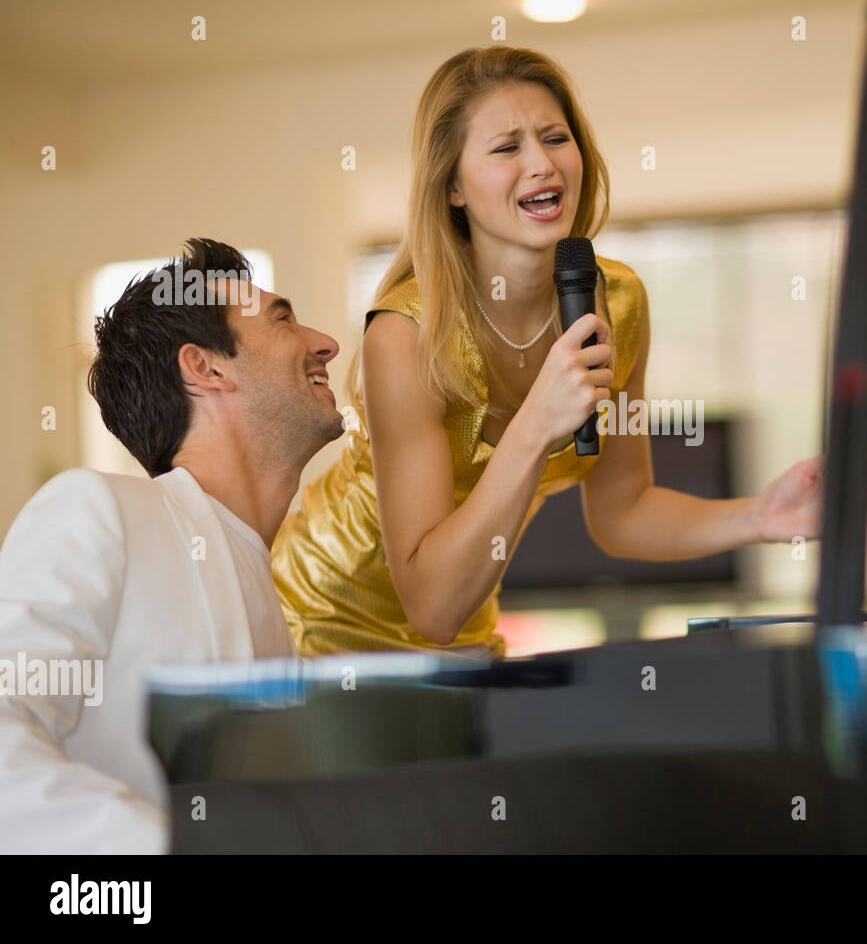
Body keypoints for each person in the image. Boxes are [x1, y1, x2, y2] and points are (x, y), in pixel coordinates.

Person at [272, 45, 823, 660]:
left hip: (466, 621)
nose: (542, 163)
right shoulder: (407, 332)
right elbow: (430, 604)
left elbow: (623, 513)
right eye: (507, 148)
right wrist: (537, 422)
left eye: (556, 138)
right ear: (452, 185)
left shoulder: (616, 300)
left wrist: (760, 518)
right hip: (325, 620)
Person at [0, 238, 344, 853]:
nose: (326, 343)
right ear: (207, 367)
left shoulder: (271, 600)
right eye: (282, 318)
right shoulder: (96, 509)